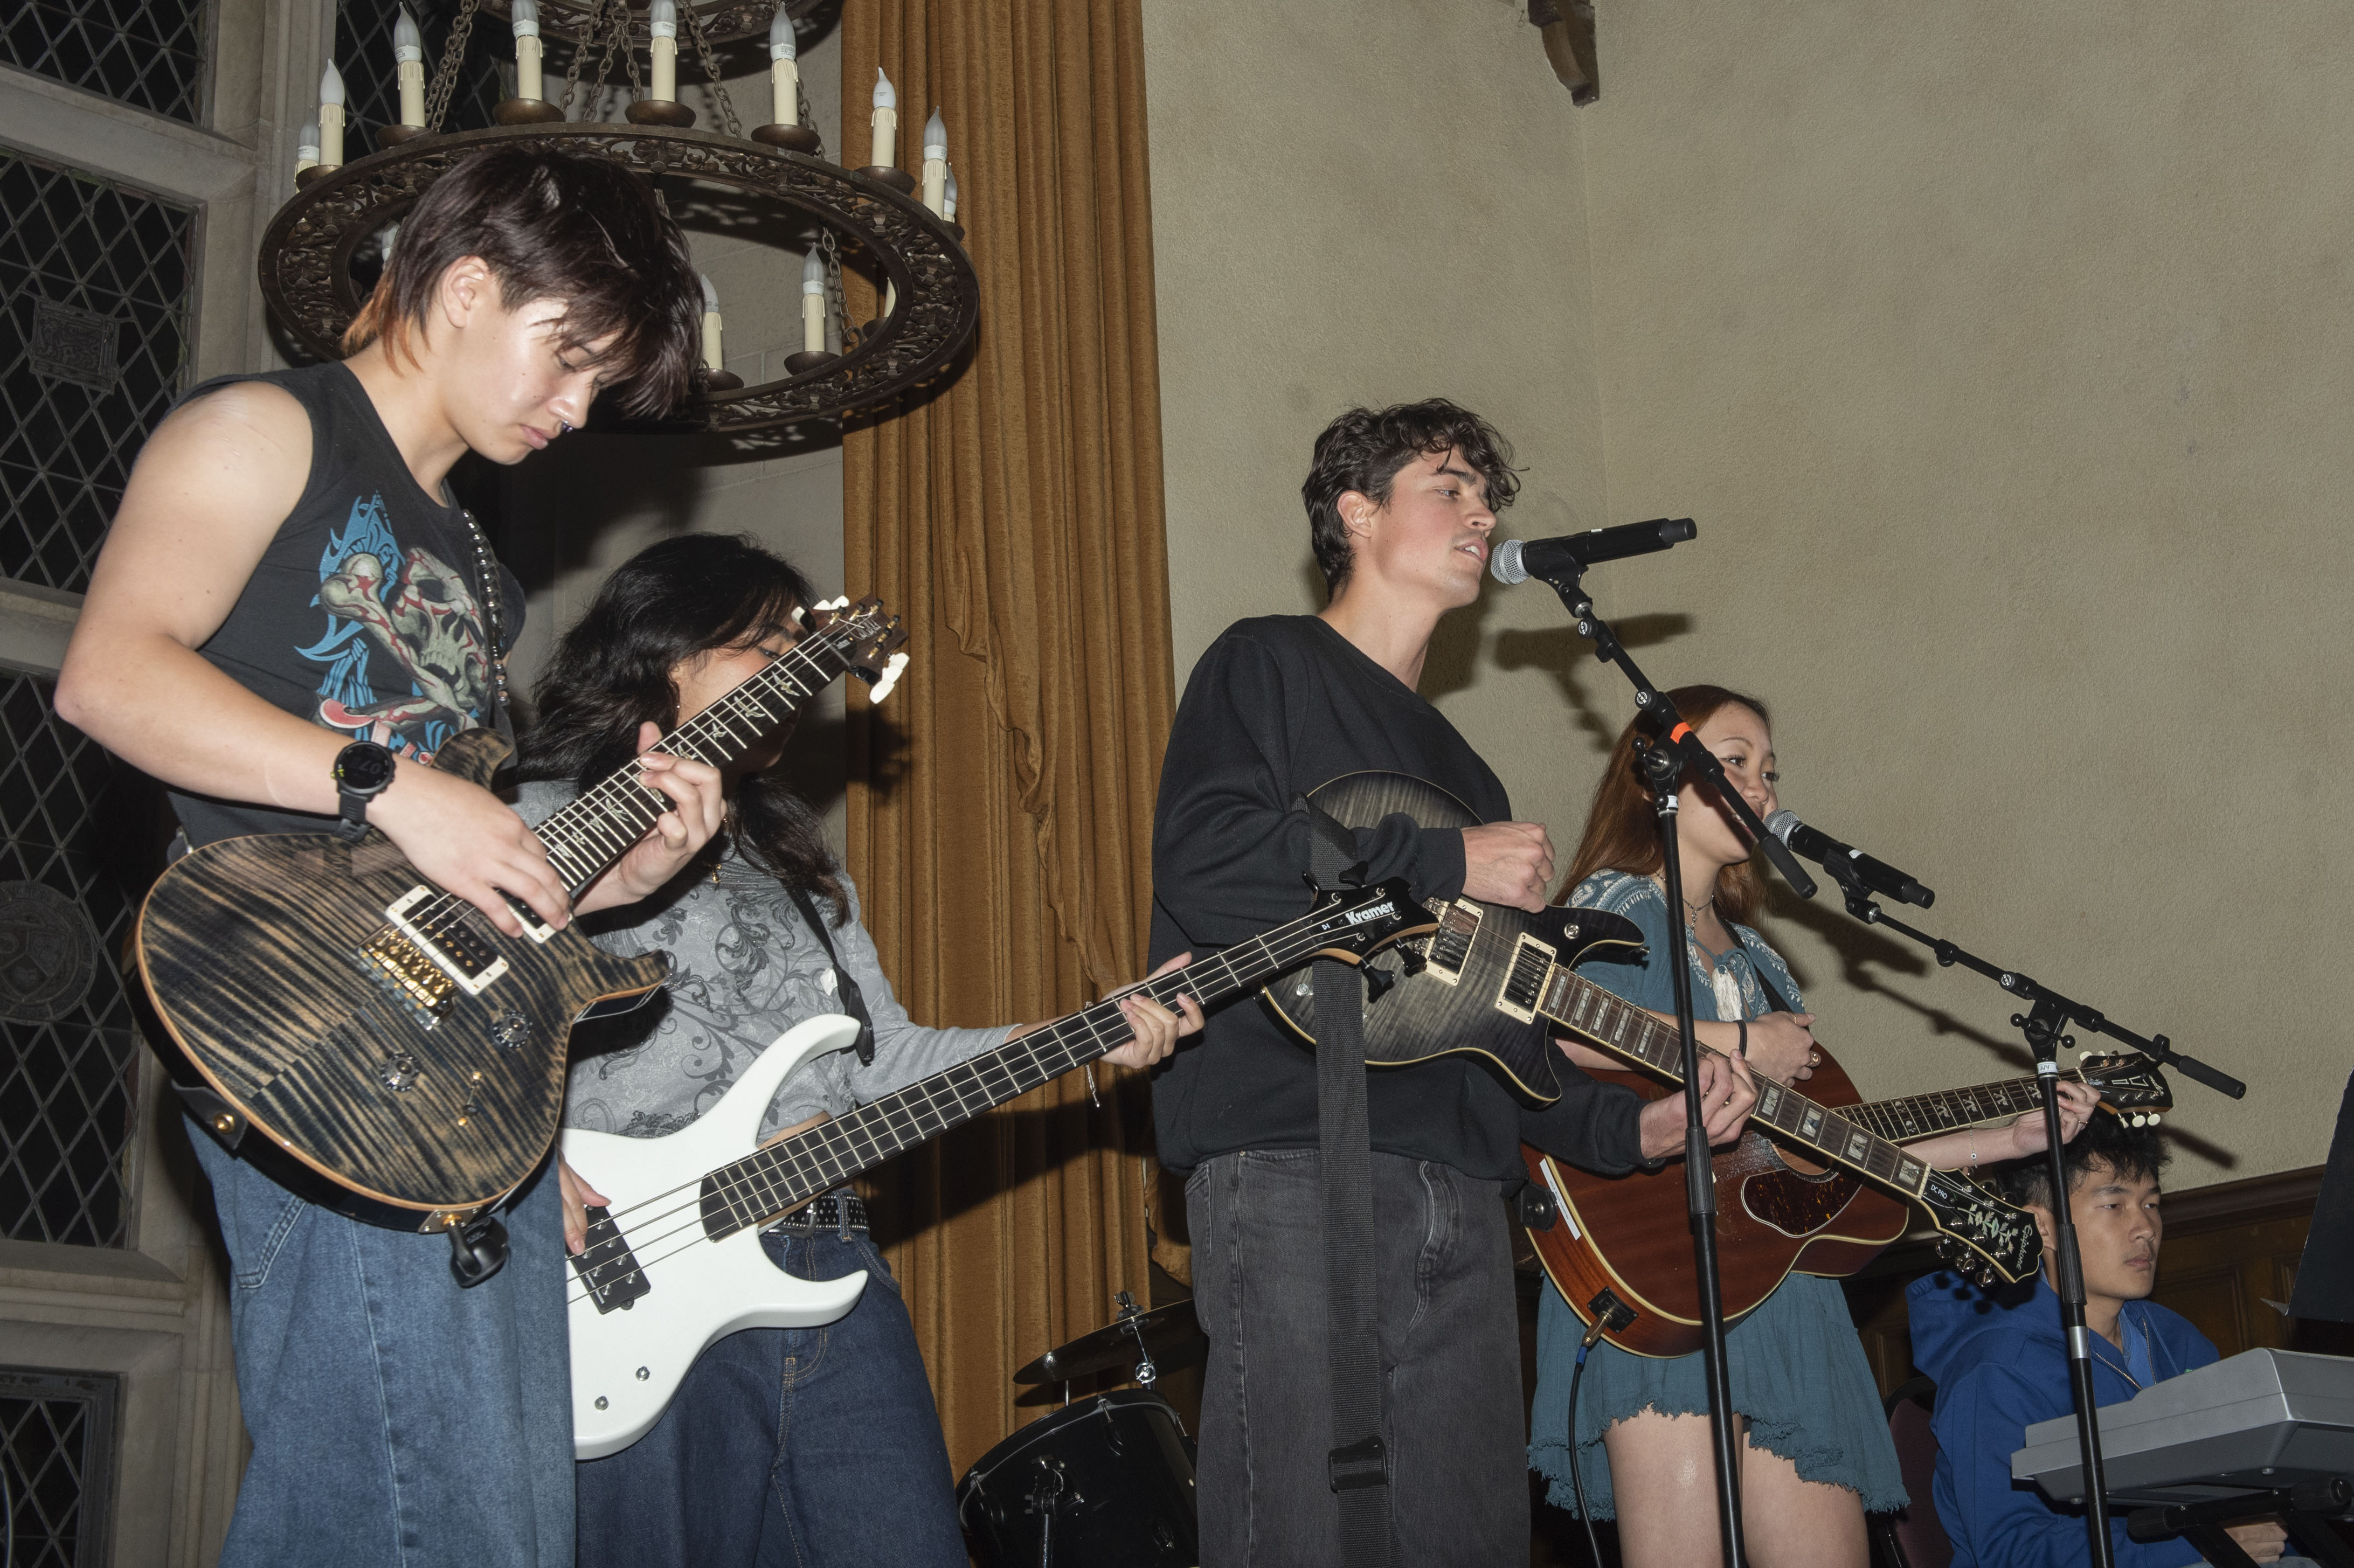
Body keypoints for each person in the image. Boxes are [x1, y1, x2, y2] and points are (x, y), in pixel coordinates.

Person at [53, 146, 716, 1566]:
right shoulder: (263, 430)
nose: (578, 406)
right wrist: (385, 778)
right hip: (313, 1044)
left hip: (459, 1084)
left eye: (599, 382)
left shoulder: (481, 578)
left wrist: (620, 878)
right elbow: (109, 676)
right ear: (468, 286)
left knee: (492, 1532)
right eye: (568, 356)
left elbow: (455, 857)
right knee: (426, 1523)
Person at [1147, 400, 1760, 1566]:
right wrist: (1438, 863)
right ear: (1358, 512)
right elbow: (1209, 862)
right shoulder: (1266, 663)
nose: (1482, 513)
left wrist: (1635, 1127)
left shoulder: (1465, 768)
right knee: (1299, 1534)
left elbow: (1509, 1038)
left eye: (1491, 497)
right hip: (1294, 1171)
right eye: (1449, 485)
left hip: (1464, 1200)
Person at [522, 533, 1204, 1567]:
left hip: (829, 1262)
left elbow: (880, 1063)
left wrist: (1077, 1035)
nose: (795, 682)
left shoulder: (794, 860)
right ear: (667, 653)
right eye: (764, 650)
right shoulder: (533, 821)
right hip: (634, 1282)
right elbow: (443, 1035)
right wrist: (523, 1169)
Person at [1527, 685, 2099, 1568]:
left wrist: (2009, 1138)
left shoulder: (1760, 960)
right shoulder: (1612, 907)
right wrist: (1740, 1042)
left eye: (1767, 772)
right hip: (1666, 1269)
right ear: (1654, 781)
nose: (1758, 787)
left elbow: (1826, 1146)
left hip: (1784, 1289)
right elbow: (1554, 1025)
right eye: (1733, 762)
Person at [1909, 1115, 2300, 1566]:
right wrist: (2202, 1542)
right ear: (2043, 1227)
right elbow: (2013, 1552)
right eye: (2114, 1206)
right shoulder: (1997, 1371)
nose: (2146, 1229)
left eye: (2152, 1205)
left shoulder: (2178, 1340)